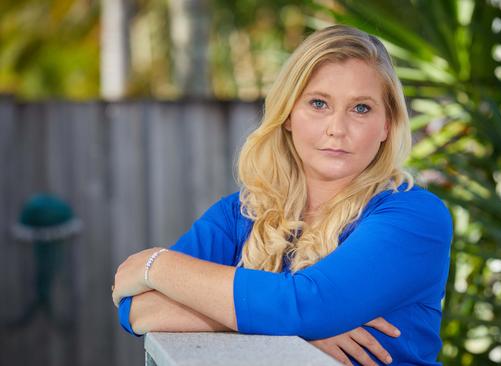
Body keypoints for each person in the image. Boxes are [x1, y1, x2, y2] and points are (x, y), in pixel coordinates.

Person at [112, 24, 452, 366]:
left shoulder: (414, 217)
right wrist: (290, 325)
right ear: (288, 114)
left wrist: (158, 264)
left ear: (386, 125)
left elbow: (307, 306)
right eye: (319, 103)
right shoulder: (241, 213)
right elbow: (138, 309)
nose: (337, 128)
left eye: (361, 108)